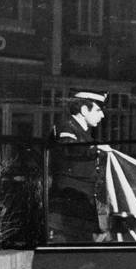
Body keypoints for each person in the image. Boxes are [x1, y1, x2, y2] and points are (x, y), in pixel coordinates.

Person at [49, 91, 108, 241]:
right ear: (84, 110)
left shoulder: (83, 132)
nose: (102, 115)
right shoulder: (66, 127)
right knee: (73, 240)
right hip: (70, 195)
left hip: (82, 194)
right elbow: (69, 147)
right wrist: (96, 149)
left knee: (85, 239)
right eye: (98, 110)